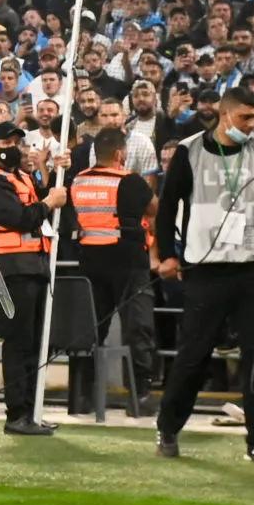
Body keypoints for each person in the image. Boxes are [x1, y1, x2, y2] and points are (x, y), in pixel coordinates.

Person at [153, 84, 254, 462]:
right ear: (224, 113)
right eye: (245, 117)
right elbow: (167, 207)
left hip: (253, 268)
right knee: (193, 356)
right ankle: (168, 427)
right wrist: (166, 255)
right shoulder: (190, 150)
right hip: (204, 269)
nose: (252, 125)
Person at [0, 120, 69, 435]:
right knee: (19, 343)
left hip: (33, 266)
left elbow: (41, 193)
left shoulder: (17, 176)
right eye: (6, 142)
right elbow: (17, 216)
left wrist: (49, 170)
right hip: (13, 268)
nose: (14, 148)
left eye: (18, 142)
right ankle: (17, 414)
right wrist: (48, 203)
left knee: (34, 343)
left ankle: (30, 409)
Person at [69, 126, 157, 411]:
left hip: (90, 264)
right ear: (121, 154)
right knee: (138, 328)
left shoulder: (77, 182)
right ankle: (139, 395)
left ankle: (81, 397)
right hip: (129, 264)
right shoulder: (130, 182)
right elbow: (154, 209)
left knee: (89, 330)